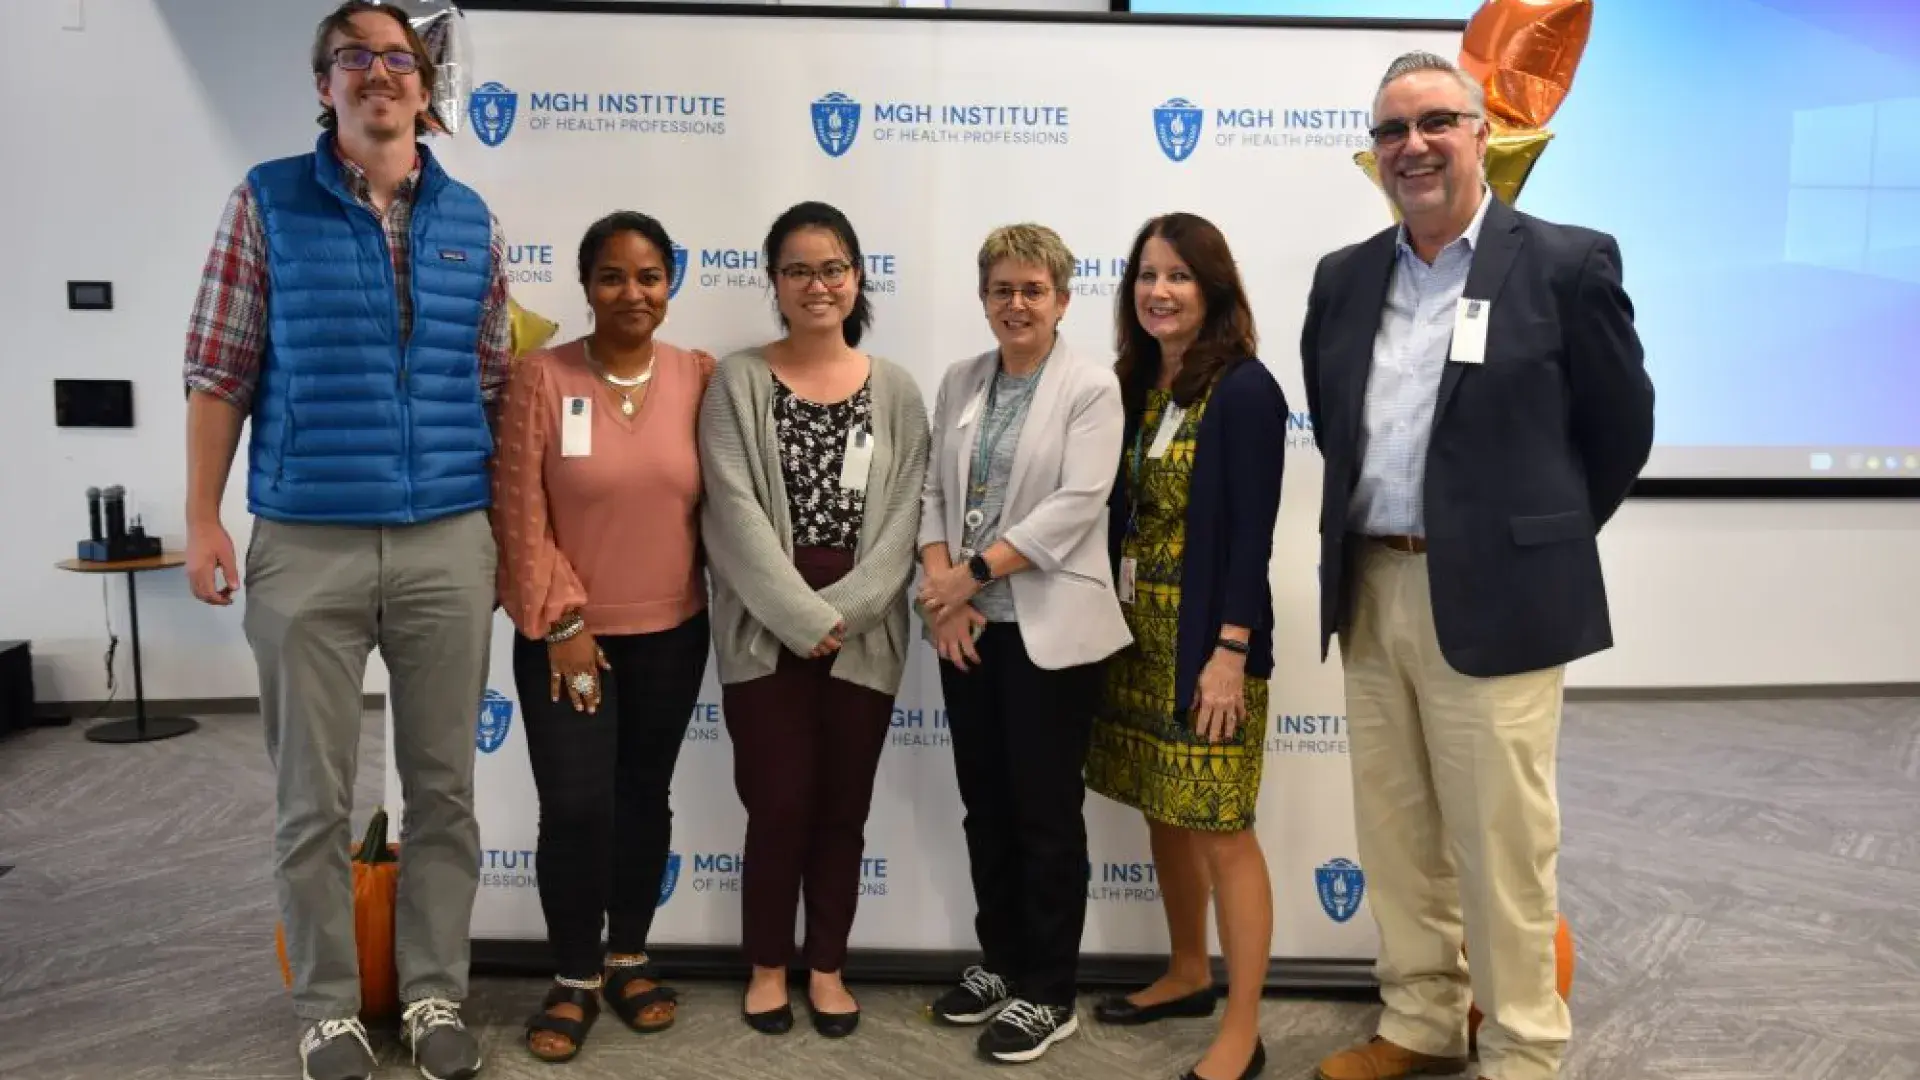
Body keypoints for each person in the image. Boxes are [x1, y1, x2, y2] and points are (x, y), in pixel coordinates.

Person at [1302, 52, 1654, 1080]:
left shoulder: (1566, 263)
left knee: (1503, 842)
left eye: (1434, 123)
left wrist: (1534, 538)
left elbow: (1620, 428)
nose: (1412, 147)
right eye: (1390, 133)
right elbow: (1340, 429)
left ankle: (1522, 1047)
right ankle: (1418, 1019)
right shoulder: (1345, 276)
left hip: (1500, 598)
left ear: (1480, 135)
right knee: (1398, 829)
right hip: (1371, 584)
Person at [180, 4, 506, 1079]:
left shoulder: (469, 217)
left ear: (425, 84)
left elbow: (496, 386)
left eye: (397, 59)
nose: (378, 74)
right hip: (304, 539)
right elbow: (220, 369)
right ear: (324, 84)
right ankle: (325, 1004)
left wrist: (510, 539)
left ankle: (431, 996)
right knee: (310, 797)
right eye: (354, 58)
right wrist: (201, 516)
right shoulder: (266, 203)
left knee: (444, 788)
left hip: (446, 542)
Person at [698, 201, 931, 1039]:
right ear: (774, 282)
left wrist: (847, 612)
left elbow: (907, 515)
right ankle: (768, 965)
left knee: (843, 806)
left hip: (864, 636)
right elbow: (730, 513)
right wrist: (802, 616)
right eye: (797, 269)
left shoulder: (898, 390)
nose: (817, 284)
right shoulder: (738, 380)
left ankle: (826, 966)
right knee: (779, 803)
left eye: (833, 267)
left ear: (858, 277)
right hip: (766, 631)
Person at [491, 210, 717, 1063]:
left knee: (641, 799)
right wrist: (566, 624)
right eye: (614, 276)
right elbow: (519, 516)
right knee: (577, 807)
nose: (634, 292)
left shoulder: (700, 375)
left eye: (650, 275)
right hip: (566, 638)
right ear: (586, 286)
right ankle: (574, 975)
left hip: (672, 633)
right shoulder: (540, 379)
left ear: (672, 283)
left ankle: (628, 956)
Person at [916, 224, 1131, 1064]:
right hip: (967, 630)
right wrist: (943, 596)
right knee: (986, 810)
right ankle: (1001, 965)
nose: (1016, 304)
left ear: (1062, 300)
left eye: (1033, 290)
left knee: (1044, 817)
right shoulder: (962, 379)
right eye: (1002, 289)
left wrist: (969, 574)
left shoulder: (1090, 385)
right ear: (983, 298)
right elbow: (933, 488)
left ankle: (1049, 990)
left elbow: (1077, 505)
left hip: (1047, 634)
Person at [1085, 213, 1287, 1080]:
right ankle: (1186, 970)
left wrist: (1230, 651)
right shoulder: (1136, 383)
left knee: (1223, 827)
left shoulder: (1244, 389)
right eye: (1145, 276)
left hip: (1208, 641)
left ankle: (1243, 1027)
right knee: (1165, 810)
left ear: (1214, 290)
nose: (1158, 292)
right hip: (1137, 638)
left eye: (1178, 277)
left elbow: (1253, 537)